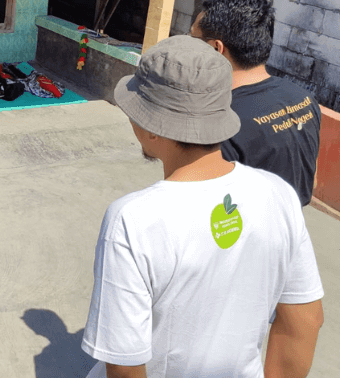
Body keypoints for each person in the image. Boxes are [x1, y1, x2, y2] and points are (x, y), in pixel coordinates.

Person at [82, 36, 324, 378]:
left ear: (151, 127)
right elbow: (306, 320)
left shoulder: (133, 219)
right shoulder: (278, 195)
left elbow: (124, 363)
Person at [190, 0, 321, 206]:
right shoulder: (304, 99)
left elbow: (204, 210)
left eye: (193, 40)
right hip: (293, 229)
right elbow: (311, 180)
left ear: (216, 48)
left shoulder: (219, 122)